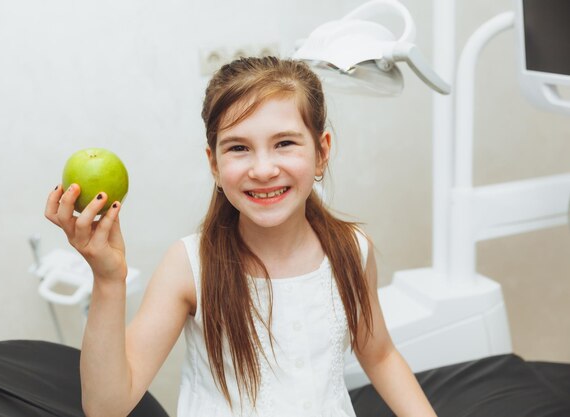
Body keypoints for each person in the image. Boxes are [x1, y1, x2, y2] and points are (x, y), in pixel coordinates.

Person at [45, 56, 437, 417]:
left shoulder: (353, 250)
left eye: (284, 143)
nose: (263, 169)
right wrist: (108, 280)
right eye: (239, 148)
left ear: (321, 151)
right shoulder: (189, 266)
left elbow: (380, 355)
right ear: (214, 163)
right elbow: (106, 407)